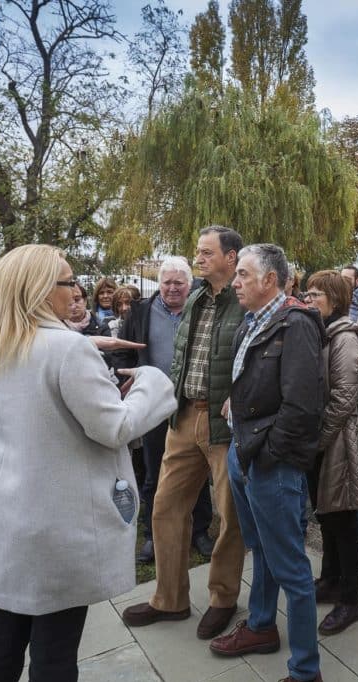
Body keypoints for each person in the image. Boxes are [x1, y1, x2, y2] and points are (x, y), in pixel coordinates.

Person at [0, 245, 175, 682]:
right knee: (54, 655)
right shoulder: (66, 351)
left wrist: (80, 345)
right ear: (42, 289)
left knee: (1, 643)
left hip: (6, 517)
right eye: (68, 281)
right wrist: (152, 383)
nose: (77, 290)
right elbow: (115, 427)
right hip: (55, 527)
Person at [121, 226, 247, 643]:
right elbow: (183, 355)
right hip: (183, 414)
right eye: (197, 251)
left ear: (231, 257)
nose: (199, 258)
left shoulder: (244, 299)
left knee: (228, 517)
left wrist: (240, 399)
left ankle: (223, 598)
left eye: (207, 252)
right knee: (165, 506)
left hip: (223, 423)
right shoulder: (195, 296)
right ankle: (169, 599)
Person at [210, 244, 325, 682]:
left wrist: (268, 454)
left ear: (270, 280)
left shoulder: (295, 325)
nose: (234, 281)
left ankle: (305, 671)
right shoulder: (253, 321)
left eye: (242, 274)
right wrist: (233, 406)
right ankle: (260, 626)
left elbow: (301, 407)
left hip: (270, 463)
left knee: (292, 570)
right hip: (245, 453)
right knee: (260, 550)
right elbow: (250, 380)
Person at [121, 257, 214, 564]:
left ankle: (199, 531)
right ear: (158, 283)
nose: (172, 288)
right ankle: (152, 535)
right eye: (167, 282)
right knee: (153, 470)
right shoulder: (141, 312)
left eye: (179, 283)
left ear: (190, 284)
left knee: (196, 471)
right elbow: (122, 350)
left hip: (192, 404)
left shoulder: (201, 309)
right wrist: (129, 377)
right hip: (154, 406)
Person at [304, 269, 358, 636]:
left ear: (336, 299)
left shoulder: (344, 338)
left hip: (340, 442)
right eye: (308, 293)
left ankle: (351, 600)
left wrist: (318, 440)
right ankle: (330, 580)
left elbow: (345, 398)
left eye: (317, 294)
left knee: (344, 523)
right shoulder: (325, 333)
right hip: (327, 441)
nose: (310, 299)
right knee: (327, 516)